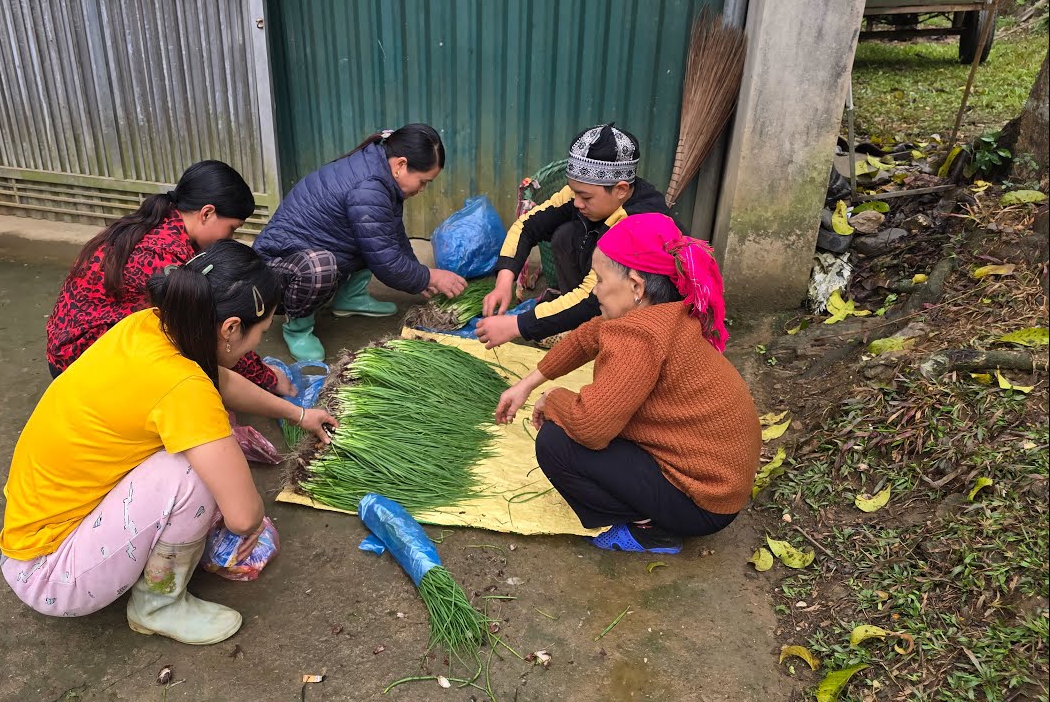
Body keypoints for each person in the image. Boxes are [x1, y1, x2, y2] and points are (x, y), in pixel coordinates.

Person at [0, 240, 337, 644]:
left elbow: (218, 379)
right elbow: (245, 516)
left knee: (205, 440)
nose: (257, 346)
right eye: (259, 334)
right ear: (230, 329)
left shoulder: (148, 325)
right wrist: (245, 516)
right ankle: (158, 604)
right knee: (191, 471)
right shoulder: (184, 388)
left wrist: (297, 414)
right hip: (52, 575)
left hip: (34, 533)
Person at [494, 213, 758, 554]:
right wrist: (528, 383)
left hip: (703, 503)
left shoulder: (639, 337)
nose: (595, 290)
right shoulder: (669, 312)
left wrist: (553, 399)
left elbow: (590, 427)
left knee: (555, 441)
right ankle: (657, 513)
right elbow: (588, 336)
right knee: (583, 423)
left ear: (636, 286)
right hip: (721, 486)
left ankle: (651, 530)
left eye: (600, 279)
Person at [46, 160, 291, 395]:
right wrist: (267, 379)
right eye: (232, 229)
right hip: (76, 365)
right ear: (206, 214)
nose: (230, 238)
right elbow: (212, 329)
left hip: (72, 346)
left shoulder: (164, 222)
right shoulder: (162, 258)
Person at [253, 124, 467, 361]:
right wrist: (429, 277)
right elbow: (387, 263)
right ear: (401, 165)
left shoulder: (380, 171)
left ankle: (349, 298)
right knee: (321, 267)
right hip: (276, 271)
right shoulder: (369, 188)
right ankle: (298, 328)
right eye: (423, 181)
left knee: (371, 239)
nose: (423, 189)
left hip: (307, 252)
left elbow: (390, 236)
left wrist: (419, 273)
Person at [476, 123, 672, 349]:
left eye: (586, 197)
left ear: (621, 189)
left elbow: (591, 297)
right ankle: (578, 327)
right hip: (602, 291)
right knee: (565, 235)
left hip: (645, 316)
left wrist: (516, 325)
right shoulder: (584, 194)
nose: (577, 202)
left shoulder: (638, 223)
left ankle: (605, 337)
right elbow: (528, 225)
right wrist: (503, 283)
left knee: (599, 318)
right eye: (574, 191)